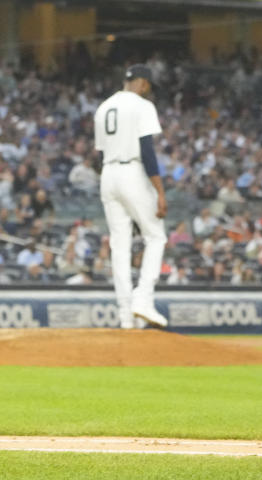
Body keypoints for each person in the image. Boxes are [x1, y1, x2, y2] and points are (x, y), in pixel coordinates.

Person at [94, 64, 168, 329]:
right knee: (156, 236)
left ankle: (126, 315)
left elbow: (100, 154)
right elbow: (147, 150)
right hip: (132, 171)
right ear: (144, 84)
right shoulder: (142, 105)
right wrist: (159, 191)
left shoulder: (103, 107)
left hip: (108, 174)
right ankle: (143, 299)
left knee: (120, 246)